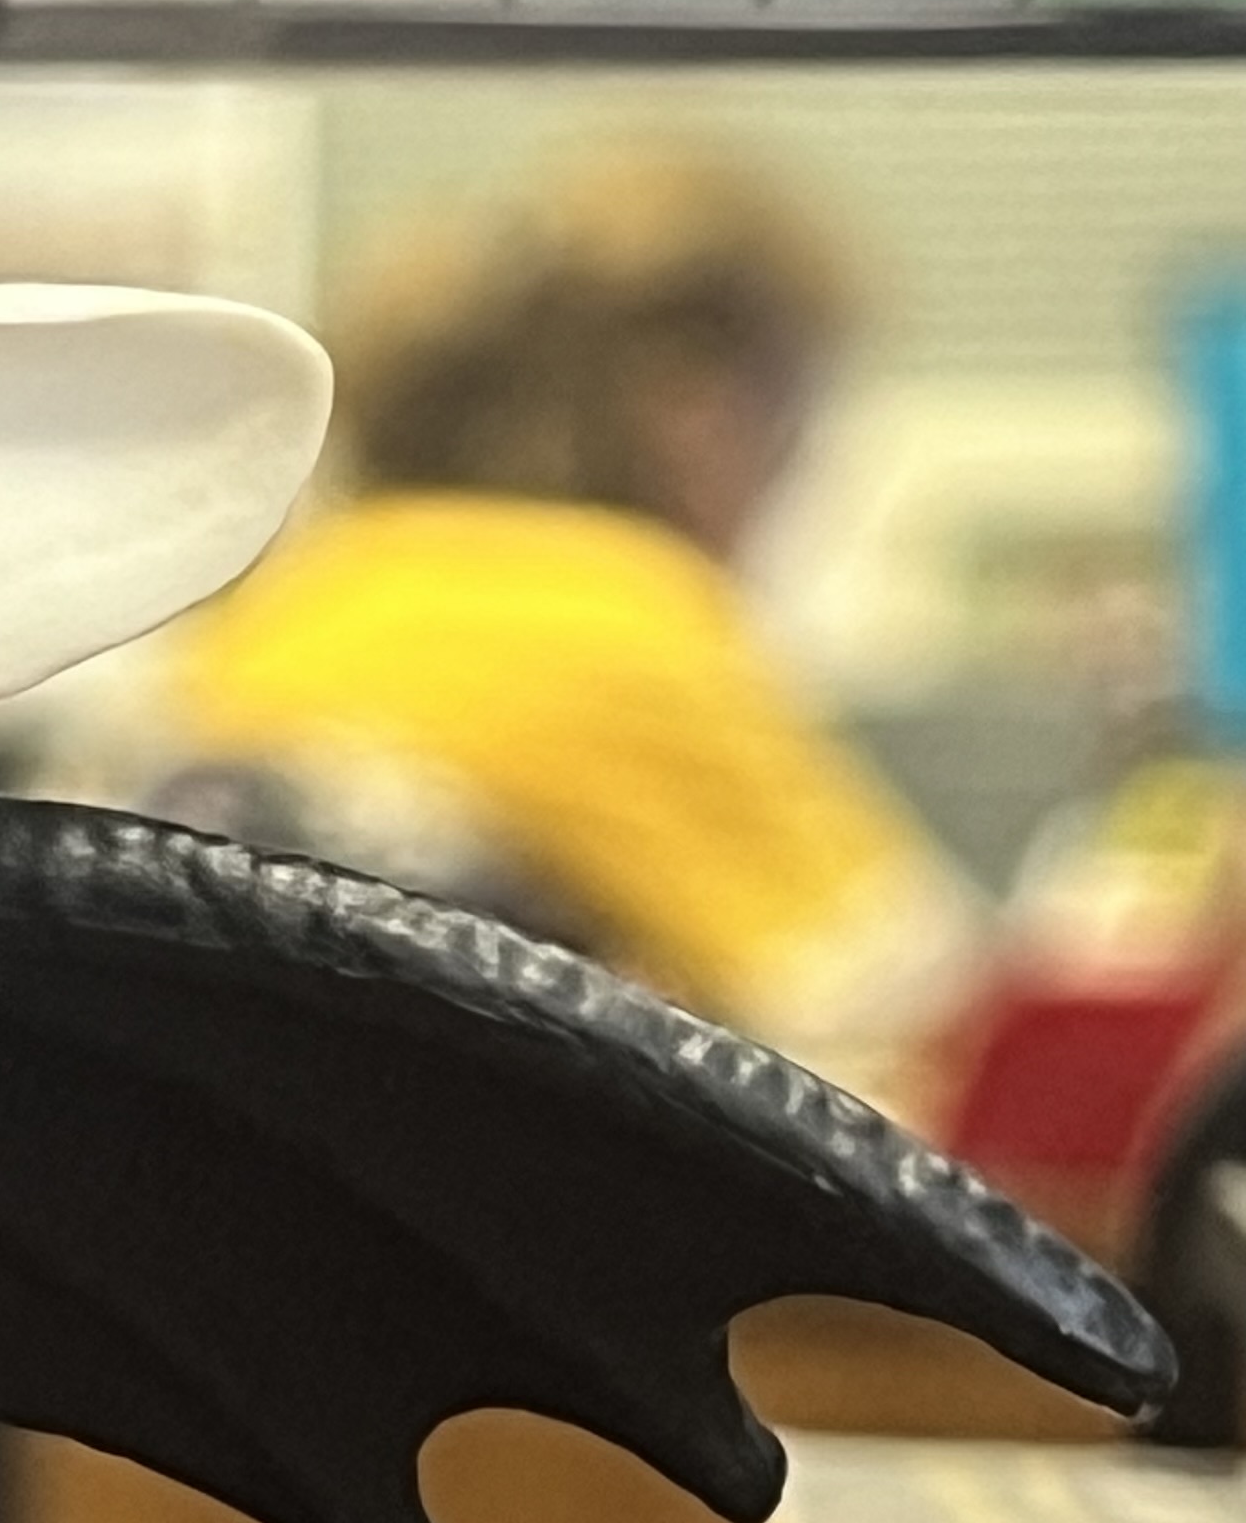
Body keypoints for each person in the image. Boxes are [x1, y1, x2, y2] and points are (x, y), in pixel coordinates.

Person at [115, 142, 977, 1083]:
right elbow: (903, 1000)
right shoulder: (616, 614)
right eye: (796, 428)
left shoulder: (288, 597)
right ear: (698, 411)